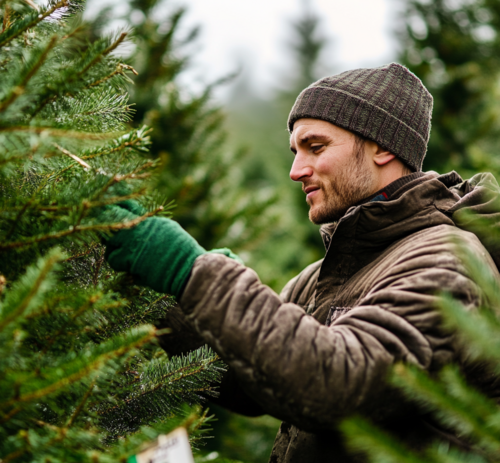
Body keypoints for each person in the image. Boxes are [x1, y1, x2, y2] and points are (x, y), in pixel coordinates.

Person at [100, 63, 500, 462]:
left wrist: (190, 269)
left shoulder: (447, 262)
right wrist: (160, 292)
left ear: (383, 147)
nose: (296, 171)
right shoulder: (324, 276)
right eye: (295, 151)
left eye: (316, 146)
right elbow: (255, 378)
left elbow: (337, 385)